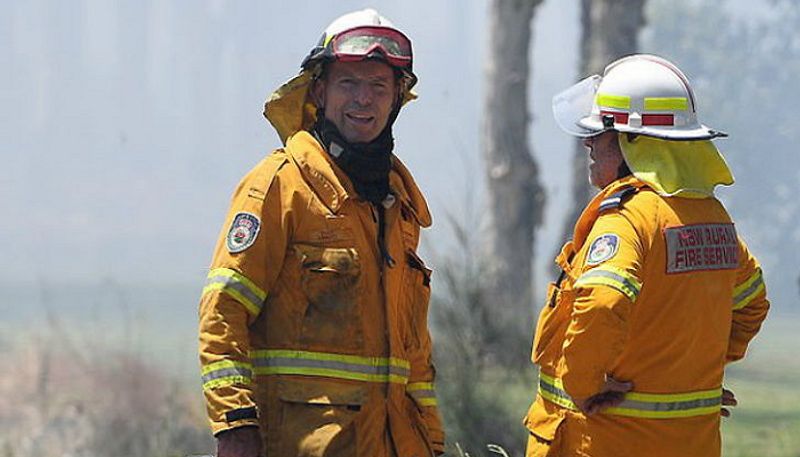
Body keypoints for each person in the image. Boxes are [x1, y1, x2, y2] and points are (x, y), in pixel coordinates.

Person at [197, 9, 444, 457]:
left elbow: (416, 357)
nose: (363, 100)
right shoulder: (279, 186)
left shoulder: (397, 206)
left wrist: (432, 442)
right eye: (349, 83)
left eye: (378, 86)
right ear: (320, 91)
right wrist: (235, 427)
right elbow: (223, 310)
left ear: (395, 100)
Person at [523, 54, 769, 457]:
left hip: (608, 441)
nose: (588, 143)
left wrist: (584, 385)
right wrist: (691, 369)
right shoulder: (714, 220)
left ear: (632, 142)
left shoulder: (627, 219)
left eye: (601, 132)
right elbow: (752, 304)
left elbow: (603, 302)